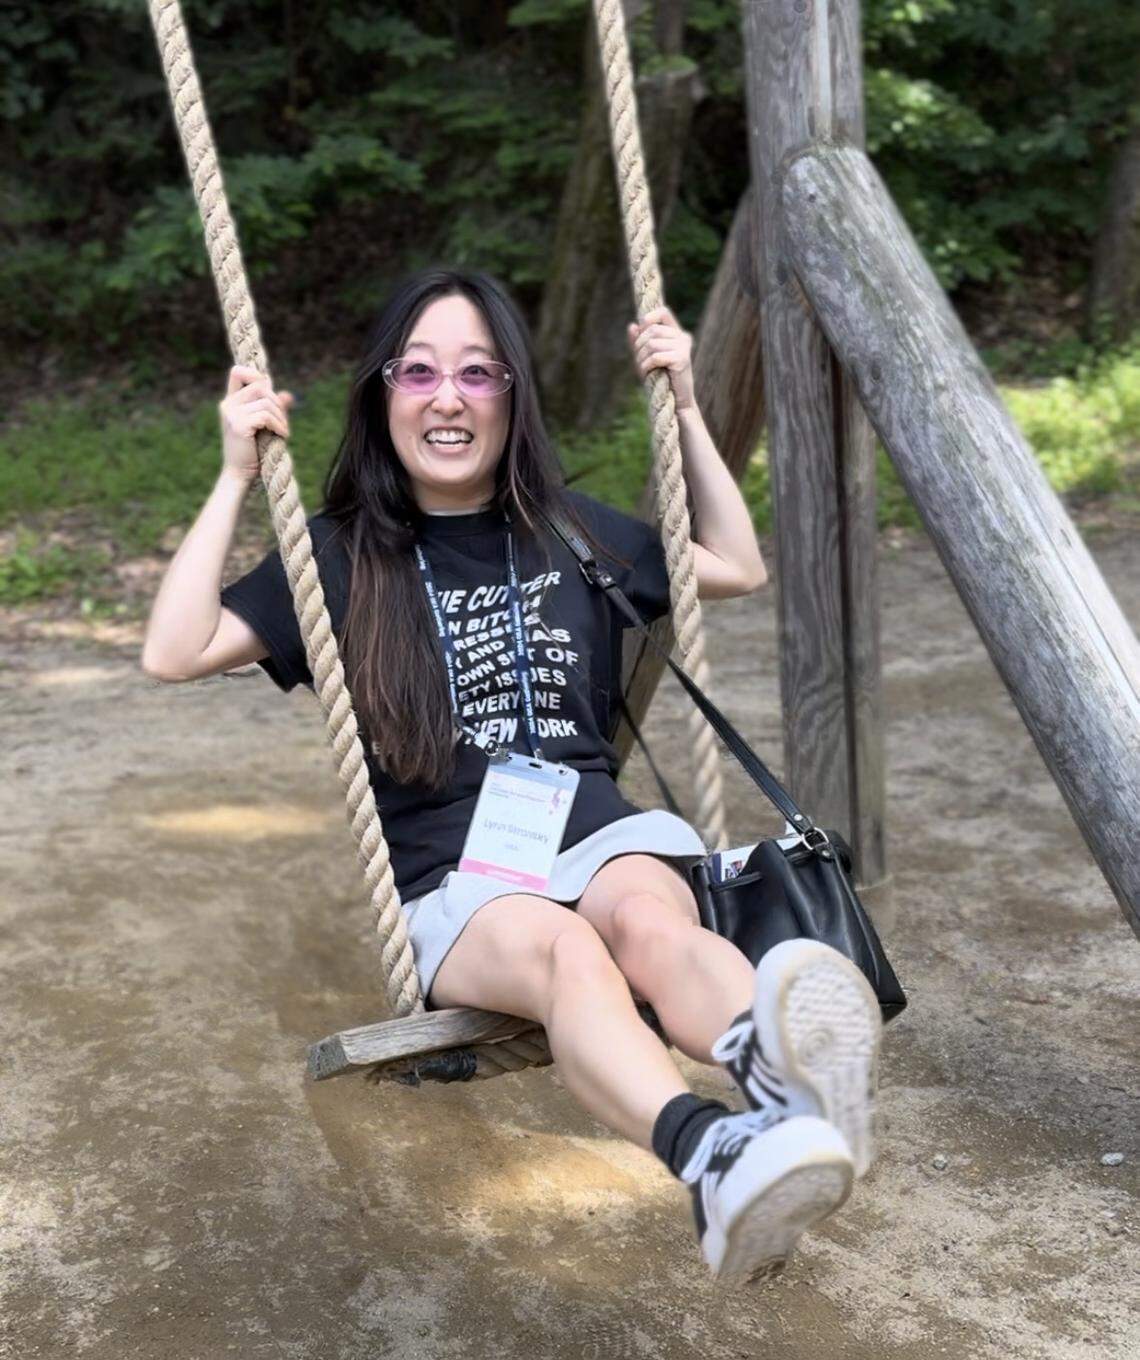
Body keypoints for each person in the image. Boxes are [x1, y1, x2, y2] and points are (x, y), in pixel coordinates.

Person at [142, 267, 881, 1284]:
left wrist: (690, 408)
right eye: (420, 371)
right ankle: (710, 1154)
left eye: (479, 373)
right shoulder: (340, 560)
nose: (448, 396)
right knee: (568, 952)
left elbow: (734, 563)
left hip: (597, 828)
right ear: (381, 394)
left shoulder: (571, 530)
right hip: (461, 881)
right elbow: (173, 650)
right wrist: (234, 475)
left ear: (511, 398)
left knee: (651, 921)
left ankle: (783, 1074)